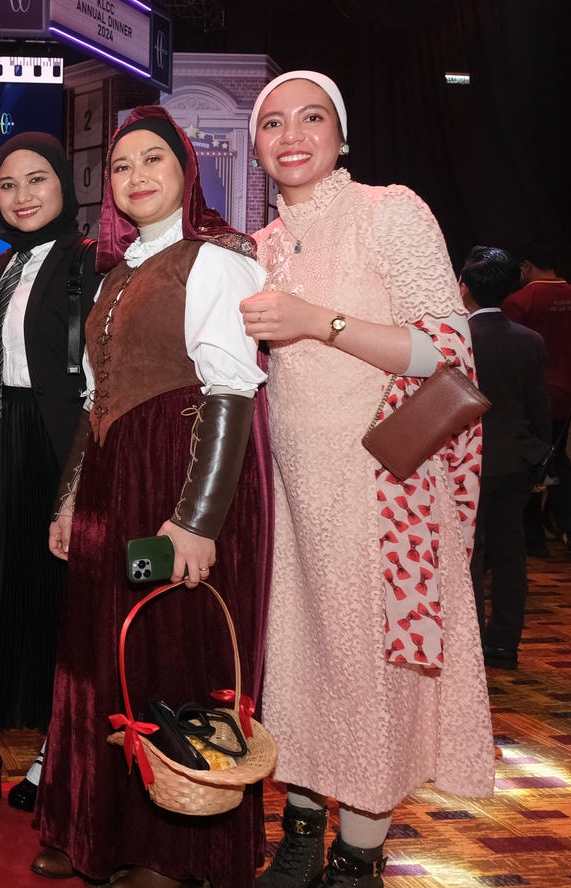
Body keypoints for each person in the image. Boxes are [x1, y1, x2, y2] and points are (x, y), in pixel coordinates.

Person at [240, 70, 494, 887]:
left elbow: (445, 349)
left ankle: (357, 856)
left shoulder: (390, 211)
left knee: (370, 674)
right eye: (273, 122)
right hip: (294, 497)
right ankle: (302, 831)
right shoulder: (260, 245)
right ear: (256, 146)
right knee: (301, 664)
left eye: (311, 117)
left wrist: (318, 321)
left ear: (341, 135)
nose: (291, 135)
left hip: (382, 491)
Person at [32, 107, 272, 886]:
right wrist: (70, 499)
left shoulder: (216, 262)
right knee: (103, 656)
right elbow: (94, 398)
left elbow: (232, 391)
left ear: (186, 170)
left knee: (169, 655)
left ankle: (173, 847)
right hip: (113, 479)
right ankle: (94, 827)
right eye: (122, 165)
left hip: (178, 474)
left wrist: (196, 521)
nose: (135, 176)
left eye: (152, 160)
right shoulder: (118, 272)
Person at [0, 132, 97, 829]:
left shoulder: (92, 263)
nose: (22, 195)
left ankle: (49, 752)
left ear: (64, 184)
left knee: (57, 605)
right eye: (7, 185)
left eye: (37, 179)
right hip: (5, 443)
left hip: (65, 449)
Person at [461, 248, 549, 671]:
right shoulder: (530, 340)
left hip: (469, 458)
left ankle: (472, 643)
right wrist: (541, 461)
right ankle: (504, 642)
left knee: (471, 553)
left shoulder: (458, 338)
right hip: (515, 459)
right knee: (510, 553)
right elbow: (539, 408)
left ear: (463, 287)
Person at [502, 244, 571, 552]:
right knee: (556, 457)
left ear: (526, 266)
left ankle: (533, 537)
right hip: (570, 388)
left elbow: (512, 351)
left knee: (530, 459)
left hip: (534, 392)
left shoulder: (521, 301)